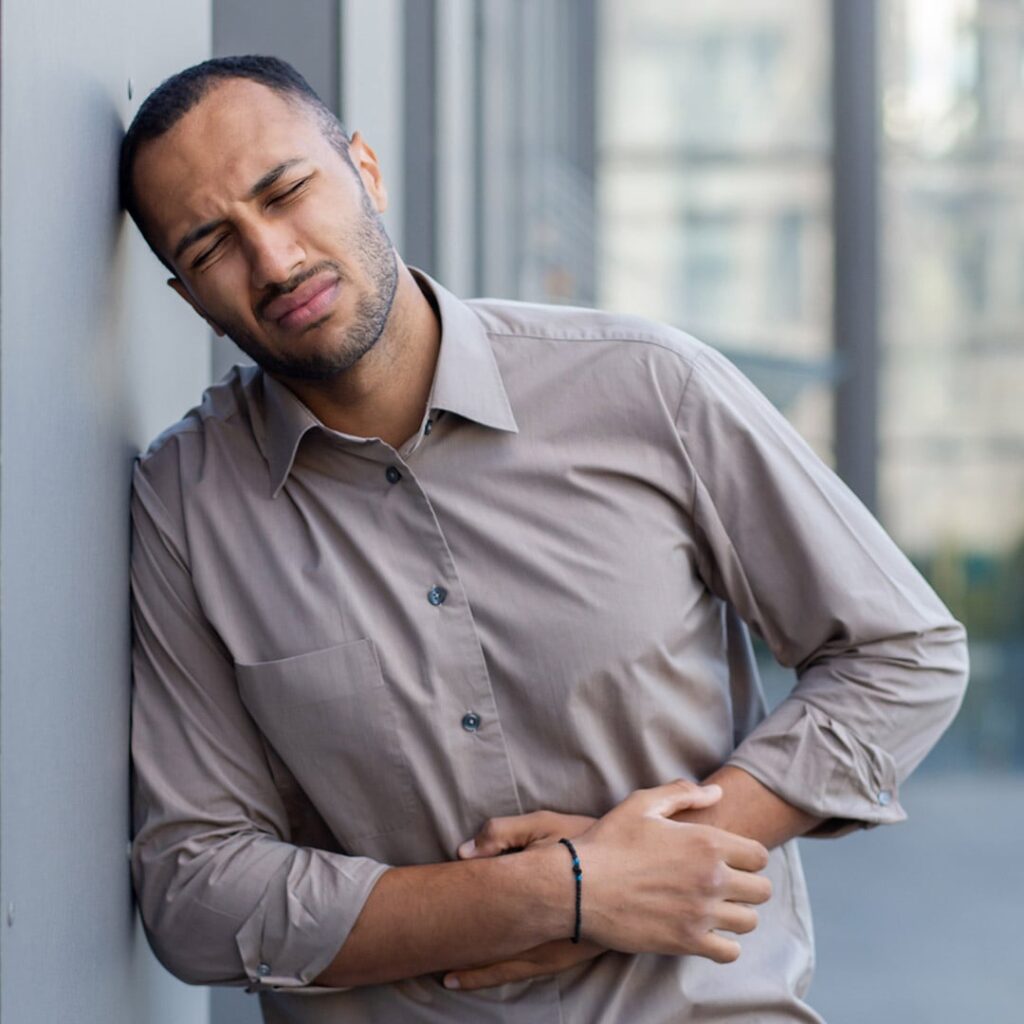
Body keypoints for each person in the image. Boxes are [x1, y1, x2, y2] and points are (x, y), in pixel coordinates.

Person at [121, 55, 969, 1023]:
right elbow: (195, 891)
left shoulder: (644, 385)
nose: (273, 260)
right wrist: (559, 894)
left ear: (364, 167)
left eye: (286, 191)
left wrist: (681, 853)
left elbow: (901, 652)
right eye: (210, 245)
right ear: (187, 297)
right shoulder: (186, 503)